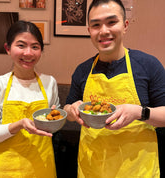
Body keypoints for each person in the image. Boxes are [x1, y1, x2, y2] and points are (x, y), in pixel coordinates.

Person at [64, 0, 165, 177]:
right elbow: (68, 108)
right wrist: (71, 111)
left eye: (111, 22)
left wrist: (139, 112)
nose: (104, 31)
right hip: (92, 169)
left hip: (137, 170)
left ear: (125, 25)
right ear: (89, 31)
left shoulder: (149, 65)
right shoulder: (82, 70)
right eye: (96, 25)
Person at [0, 20, 59, 177]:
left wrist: (55, 119)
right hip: (4, 170)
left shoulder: (49, 82)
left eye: (35, 47)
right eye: (21, 45)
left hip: (42, 168)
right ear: (8, 48)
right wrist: (19, 125)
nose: (28, 53)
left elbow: (57, 122)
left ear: (41, 50)